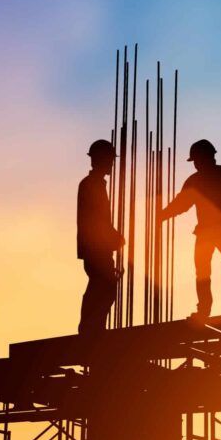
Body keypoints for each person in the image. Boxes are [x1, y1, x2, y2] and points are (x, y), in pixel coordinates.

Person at [159, 139, 221, 321]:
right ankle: (211, 309)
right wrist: (162, 215)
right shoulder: (202, 179)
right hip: (209, 233)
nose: (196, 164)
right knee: (209, 272)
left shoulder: (220, 175)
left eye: (197, 160)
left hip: (219, 232)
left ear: (205, 157)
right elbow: (182, 204)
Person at [77, 139, 125, 334]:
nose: (112, 164)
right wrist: (115, 237)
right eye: (110, 160)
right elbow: (95, 219)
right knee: (103, 288)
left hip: (99, 248)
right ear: (100, 160)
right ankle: (90, 330)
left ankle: (94, 329)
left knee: (104, 289)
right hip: (95, 248)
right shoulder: (91, 185)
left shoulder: (96, 184)